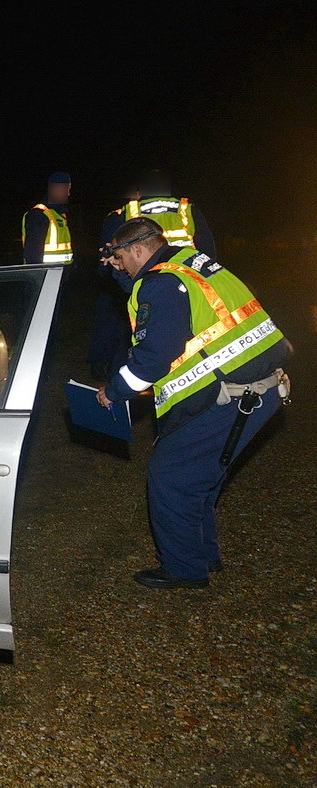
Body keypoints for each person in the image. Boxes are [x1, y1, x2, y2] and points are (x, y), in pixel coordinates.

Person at [97, 217, 292, 589]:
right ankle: (203, 555)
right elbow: (154, 297)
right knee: (199, 476)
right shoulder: (190, 263)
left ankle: (184, 569)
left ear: (138, 248)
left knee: (171, 477)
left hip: (229, 393)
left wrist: (115, 390)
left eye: (121, 257)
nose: (118, 264)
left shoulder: (162, 284)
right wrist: (122, 276)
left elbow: (154, 357)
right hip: (260, 386)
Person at [88, 183, 141, 380]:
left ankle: (114, 374)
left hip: (136, 284)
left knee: (124, 331)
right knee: (115, 327)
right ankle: (105, 369)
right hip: (123, 282)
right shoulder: (183, 212)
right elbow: (106, 253)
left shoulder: (120, 216)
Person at [122, 170, 216, 257]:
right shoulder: (187, 208)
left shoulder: (127, 212)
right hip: (184, 269)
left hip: (148, 272)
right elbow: (206, 245)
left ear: (140, 191)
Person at [22, 171, 73, 265]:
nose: (68, 193)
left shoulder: (59, 215)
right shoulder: (39, 214)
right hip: (46, 276)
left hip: (59, 276)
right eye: (66, 188)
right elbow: (32, 255)